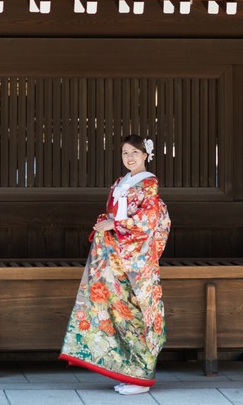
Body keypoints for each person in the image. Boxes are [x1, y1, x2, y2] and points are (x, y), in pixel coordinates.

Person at [59, 134, 171, 396]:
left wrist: (116, 225)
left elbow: (148, 220)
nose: (129, 157)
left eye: (135, 152)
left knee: (135, 312)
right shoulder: (121, 182)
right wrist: (107, 223)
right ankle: (129, 372)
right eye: (125, 153)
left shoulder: (149, 184)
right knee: (118, 312)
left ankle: (142, 374)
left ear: (146, 155)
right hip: (117, 255)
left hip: (135, 260)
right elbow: (115, 214)